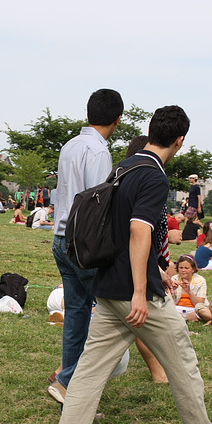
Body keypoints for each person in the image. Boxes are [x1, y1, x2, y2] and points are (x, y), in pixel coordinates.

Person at [51, 105, 212, 424]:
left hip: (108, 287)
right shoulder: (154, 175)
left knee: (89, 371)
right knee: (183, 363)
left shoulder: (123, 167)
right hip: (135, 295)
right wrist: (142, 291)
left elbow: (117, 231)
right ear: (180, 140)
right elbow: (139, 231)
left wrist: (153, 272)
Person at [48, 89, 124, 404]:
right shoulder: (98, 151)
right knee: (113, 312)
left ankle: (67, 379)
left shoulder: (70, 146)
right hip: (85, 245)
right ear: (118, 119)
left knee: (77, 311)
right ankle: (77, 384)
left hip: (61, 240)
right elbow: (98, 204)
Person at [171, 255, 208, 321]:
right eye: (181, 268)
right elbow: (166, 300)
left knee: (202, 312)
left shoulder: (200, 280)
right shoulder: (174, 279)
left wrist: (189, 291)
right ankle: (185, 318)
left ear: (193, 269)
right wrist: (172, 289)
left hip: (194, 309)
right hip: (177, 308)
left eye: (186, 268)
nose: (183, 270)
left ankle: (184, 318)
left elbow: (199, 304)